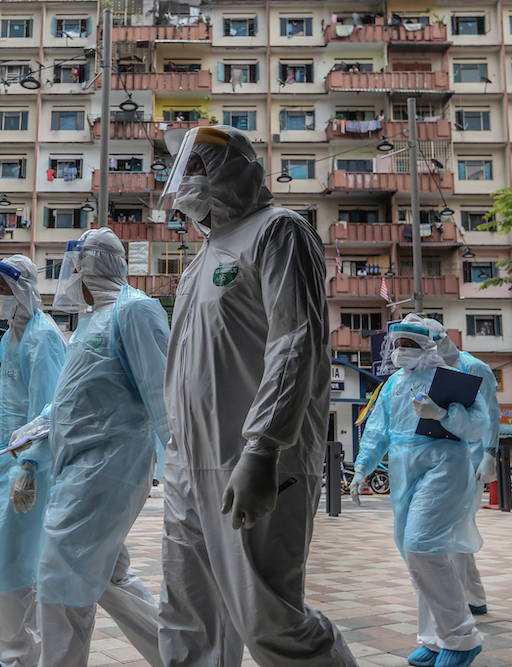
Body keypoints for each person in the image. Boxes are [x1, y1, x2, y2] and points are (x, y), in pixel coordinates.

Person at [157, 125, 357, 667]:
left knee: (267, 618)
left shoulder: (279, 231)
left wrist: (263, 447)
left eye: (199, 165)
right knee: (187, 615)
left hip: (251, 458)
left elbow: (294, 342)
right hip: (188, 462)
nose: (185, 178)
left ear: (235, 167)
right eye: (182, 168)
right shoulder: (202, 257)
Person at [36, 228, 167, 667]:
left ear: (88, 265)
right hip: (76, 464)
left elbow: (162, 394)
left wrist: (182, 465)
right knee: (109, 575)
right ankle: (178, 655)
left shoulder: (136, 311)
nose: (69, 274)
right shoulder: (90, 320)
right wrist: (37, 425)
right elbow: (77, 391)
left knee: (59, 575)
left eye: (74, 264)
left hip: (110, 466)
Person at [351, 314, 487, 667]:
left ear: (429, 345)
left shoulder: (453, 381)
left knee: (422, 546)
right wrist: (362, 468)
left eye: (409, 344)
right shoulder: (393, 384)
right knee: (414, 555)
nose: (400, 351)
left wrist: (442, 413)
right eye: (396, 345)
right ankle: (434, 637)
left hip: (444, 467)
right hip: (402, 470)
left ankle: (461, 637)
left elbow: (478, 425)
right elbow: (377, 430)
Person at [0, 255, 66, 667]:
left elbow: (50, 410)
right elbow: (16, 404)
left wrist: (31, 465)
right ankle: (14, 653)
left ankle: (21, 656)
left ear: (23, 290)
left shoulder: (42, 337)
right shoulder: (12, 336)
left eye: (2, 290)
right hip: (4, 460)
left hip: (27, 466)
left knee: (17, 560)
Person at [427, 318, 500, 617]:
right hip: (441, 461)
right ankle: (470, 596)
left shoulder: (474, 368)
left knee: (455, 531)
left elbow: (492, 412)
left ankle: (468, 598)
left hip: (470, 460)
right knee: (448, 532)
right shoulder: (427, 370)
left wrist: (490, 453)